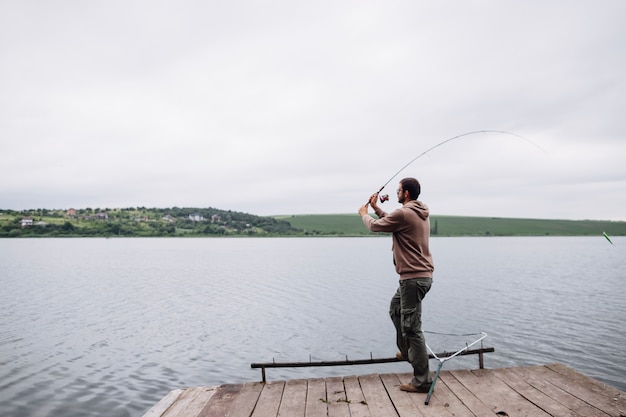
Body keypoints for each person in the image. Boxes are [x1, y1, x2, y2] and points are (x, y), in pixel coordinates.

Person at [358, 177, 434, 393]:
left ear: (406, 193)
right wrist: (376, 208)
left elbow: (375, 226)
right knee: (396, 310)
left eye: (399, 190)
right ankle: (407, 351)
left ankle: (422, 381)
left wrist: (365, 215)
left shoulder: (405, 213)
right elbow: (393, 220)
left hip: (412, 278)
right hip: (418, 277)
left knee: (412, 328)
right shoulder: (417, 213)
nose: (397, 193)